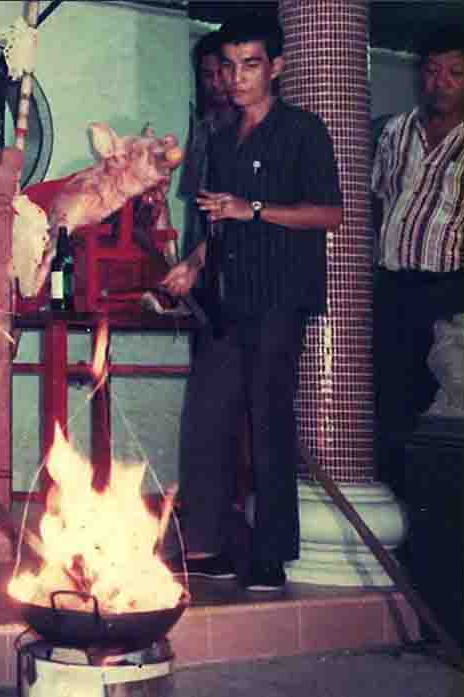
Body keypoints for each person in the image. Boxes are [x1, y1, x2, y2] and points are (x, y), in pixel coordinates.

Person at [162, 13, 343, 591]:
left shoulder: (303, 131)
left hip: (278, 299)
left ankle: (271, 554)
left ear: (276, 68)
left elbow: (329, 213)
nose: (237, 78)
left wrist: (255, 209)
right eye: (229, 66)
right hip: (224, 298)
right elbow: (219, 221)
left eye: (251, 65)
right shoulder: (219, 135)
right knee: (206, 419)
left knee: (268, 423)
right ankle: (208, 547)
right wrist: (193, 264)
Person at [372, 29, 464, 499]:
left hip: (452, 291)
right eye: (431, 71)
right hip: (392, 286)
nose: (440, 83)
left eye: (455, 73)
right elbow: (376, 200)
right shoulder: (395, 131)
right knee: (390, 402)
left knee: (447, 406)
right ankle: (396, 509)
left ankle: (437, 512)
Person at [177, 30, 237, 268]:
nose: (215, 83)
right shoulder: (200, 128)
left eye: (221, 73)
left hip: (241, 248)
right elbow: (194, 202)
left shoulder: (252, 128)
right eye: (207, 75)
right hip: (201, 250)